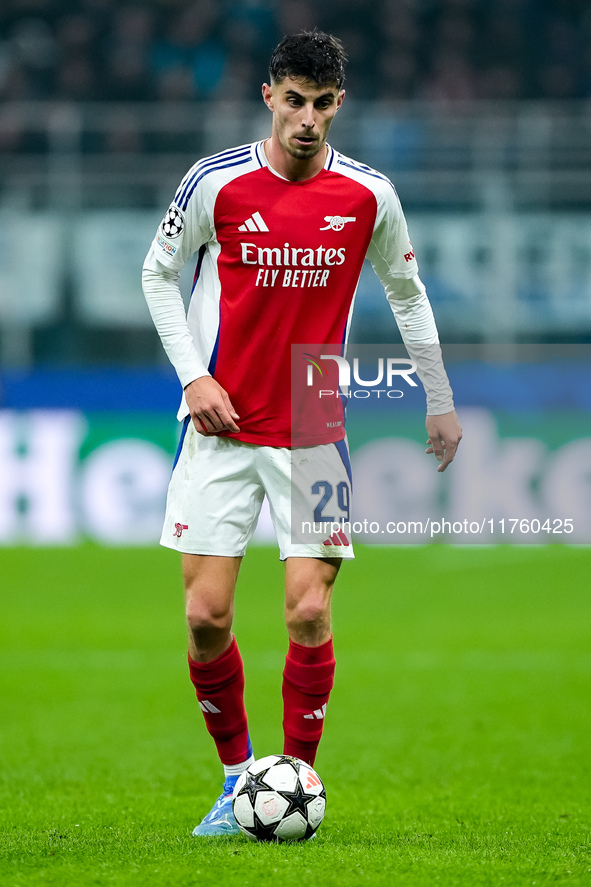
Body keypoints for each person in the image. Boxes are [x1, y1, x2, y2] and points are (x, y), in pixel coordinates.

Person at [142, 29, 462, 837]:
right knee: (206, 616)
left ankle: (296, 779)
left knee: (307, 611)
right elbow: (157, 273)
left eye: (321, 104)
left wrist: (438, 396)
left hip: (314, 413)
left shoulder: (367, 195)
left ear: (338, 104)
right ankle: (232, 778)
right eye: (293, 101)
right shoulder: (215, 182)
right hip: (218, 420)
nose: (306, 119)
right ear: (268, 97)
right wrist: (193, 375)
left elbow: (408, 293)